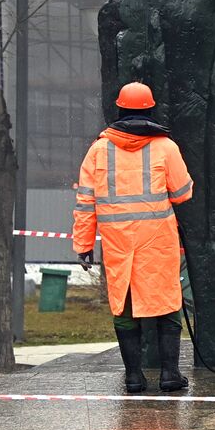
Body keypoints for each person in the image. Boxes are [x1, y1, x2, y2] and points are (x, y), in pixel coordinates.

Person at [73, 82, 195, 393]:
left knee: (124, 307)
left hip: (118, 245)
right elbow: (182, 193)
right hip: (157, 242)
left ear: (120, 110)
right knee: (167, 303)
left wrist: (84, 244)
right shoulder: (166, 147)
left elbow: (85, 201)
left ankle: (133, 377)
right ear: (151, 110)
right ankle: (169, 375)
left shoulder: (98, 151)